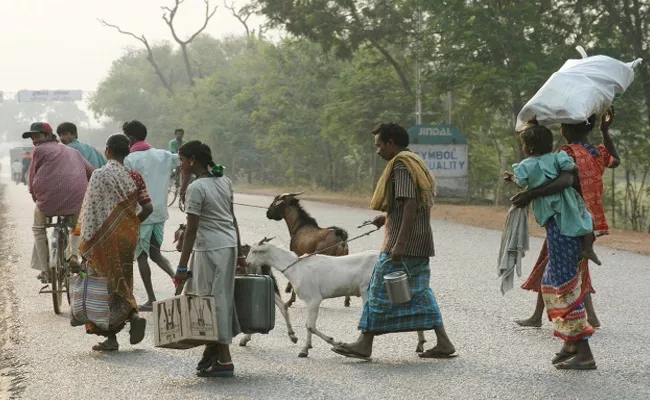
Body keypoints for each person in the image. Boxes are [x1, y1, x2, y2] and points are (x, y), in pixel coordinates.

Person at [331, 122, 456, 361]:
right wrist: (386, 216)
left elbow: (409, 203)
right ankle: (444, 342)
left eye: (379, 145)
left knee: (377, 289)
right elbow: (408, 203)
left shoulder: (400, 165)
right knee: (420, 292)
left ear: (391, 143)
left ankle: (364, 343)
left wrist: (399, 243)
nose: (377, 151)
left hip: (404, 244)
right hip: (421, 242)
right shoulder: (415, 161)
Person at [509, 120, 609, 371]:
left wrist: (530, 193)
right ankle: (570, 344)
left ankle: (584, 352)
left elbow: (565, 180)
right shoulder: (560, 157)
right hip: (568, 225)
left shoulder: (550, 161)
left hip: (565, 229)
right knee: (550, 282)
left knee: (565, 287)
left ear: (529, 147)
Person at [173, 140, 245, 377]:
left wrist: (182, 267)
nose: (180, 164)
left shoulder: (197, 187)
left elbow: (192, 230)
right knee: (221, 299)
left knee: (211, 303)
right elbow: (232, 218)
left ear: (192, 160)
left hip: (210, 251)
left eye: (182, 159)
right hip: (228, 245)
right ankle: (214, 351)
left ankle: (225, 359)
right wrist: (240, 253)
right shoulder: (224, 180)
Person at [75, 134, 152, 351]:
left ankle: (111, 338)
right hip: (126, 238)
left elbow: (90, 211)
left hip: (101, 239)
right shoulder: (135, 176)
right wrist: (131, 226)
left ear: (107, 150)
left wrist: (85, 241)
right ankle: (133, 314)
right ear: (126, 152)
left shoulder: (99, 175)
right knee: (123, 280)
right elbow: (148, 208)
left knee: (104, 287)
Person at [504, 119, 600, 265]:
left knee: (559, 238)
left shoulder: (525, 165)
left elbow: (522, 182)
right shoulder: (559, 156)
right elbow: (571, 168)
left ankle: (563, 274)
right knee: (586, 220)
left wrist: (512, 178)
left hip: (548, 206)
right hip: (567, 200)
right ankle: (588, 248)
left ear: (529, 147)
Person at [23, 122, 94, 282]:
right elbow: (91, 172)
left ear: (48, 136)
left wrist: (36, 197)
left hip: (48, 201)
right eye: (32, 137)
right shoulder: (72, 151)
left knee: (39, 229)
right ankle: (73, 255)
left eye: (37, 136)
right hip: (76, 200)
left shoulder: (39, 150)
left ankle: (45, 269)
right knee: (76, 227)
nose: (34, 140)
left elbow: (32, 177)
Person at [123, 120, 178, 311]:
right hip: (160, 212)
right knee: (155, 253)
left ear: (129, 138)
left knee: (141, 256)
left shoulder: (130, 160)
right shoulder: (163, 155)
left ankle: (151, 298)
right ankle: (177, 278)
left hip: (141, 214)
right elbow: (182, 160)